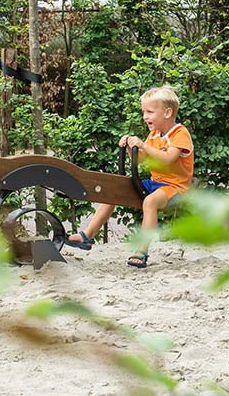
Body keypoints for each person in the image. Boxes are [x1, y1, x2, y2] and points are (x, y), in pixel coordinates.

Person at [66, 85, 194, 268]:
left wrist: (143, 145)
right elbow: (142, 160)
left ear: (167, 112)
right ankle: (87, 236)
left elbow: (167, 159)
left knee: (149, 202)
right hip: (155, 184)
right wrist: (130, 146)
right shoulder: (155, 134)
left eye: (150, 112)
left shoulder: (180, 133)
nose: (145, 116)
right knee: (114, 190)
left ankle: (142, 250)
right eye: (144, 112)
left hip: (176, 188)